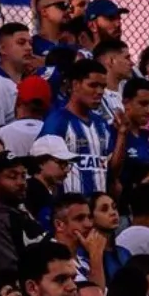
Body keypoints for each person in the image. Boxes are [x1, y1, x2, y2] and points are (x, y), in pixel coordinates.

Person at [40, 59, 113, 195]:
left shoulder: (102, 124)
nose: (99, 91)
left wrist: (122, 134)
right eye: (93, 85)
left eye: (103, 87)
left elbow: (112, 170)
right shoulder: (57, 121)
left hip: (98, 209)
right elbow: (44, 169)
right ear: (75, 85)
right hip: (68, 207)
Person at [0, 152, 46, 282]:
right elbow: (11, 274)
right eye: (12, 177)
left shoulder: (22, 213)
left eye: (23, 176)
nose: (21, 182)